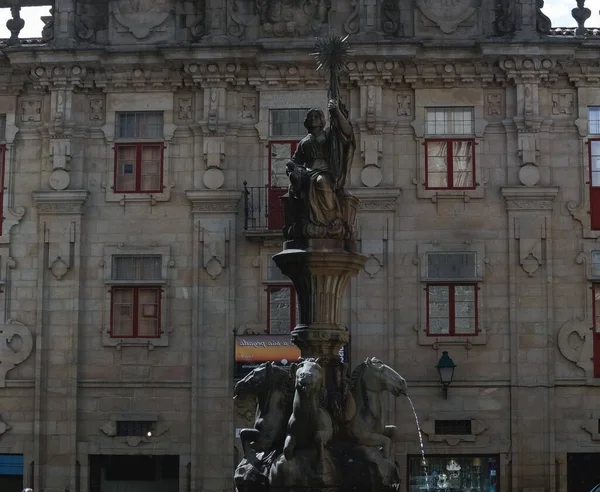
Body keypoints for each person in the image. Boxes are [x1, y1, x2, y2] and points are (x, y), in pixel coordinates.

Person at [285, 99, 356, 238]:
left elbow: (347, 132)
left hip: (324, 170)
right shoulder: (304, 141)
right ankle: (301, 219)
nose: (313, 119)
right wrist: (291, 166)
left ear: (322, 120)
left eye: (316, 116)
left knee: (321, 181)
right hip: (307, 171)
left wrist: (336, 112)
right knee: (295, 182)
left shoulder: (329, 134)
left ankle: (330, 217)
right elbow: (296, 159)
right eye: (310, 116)